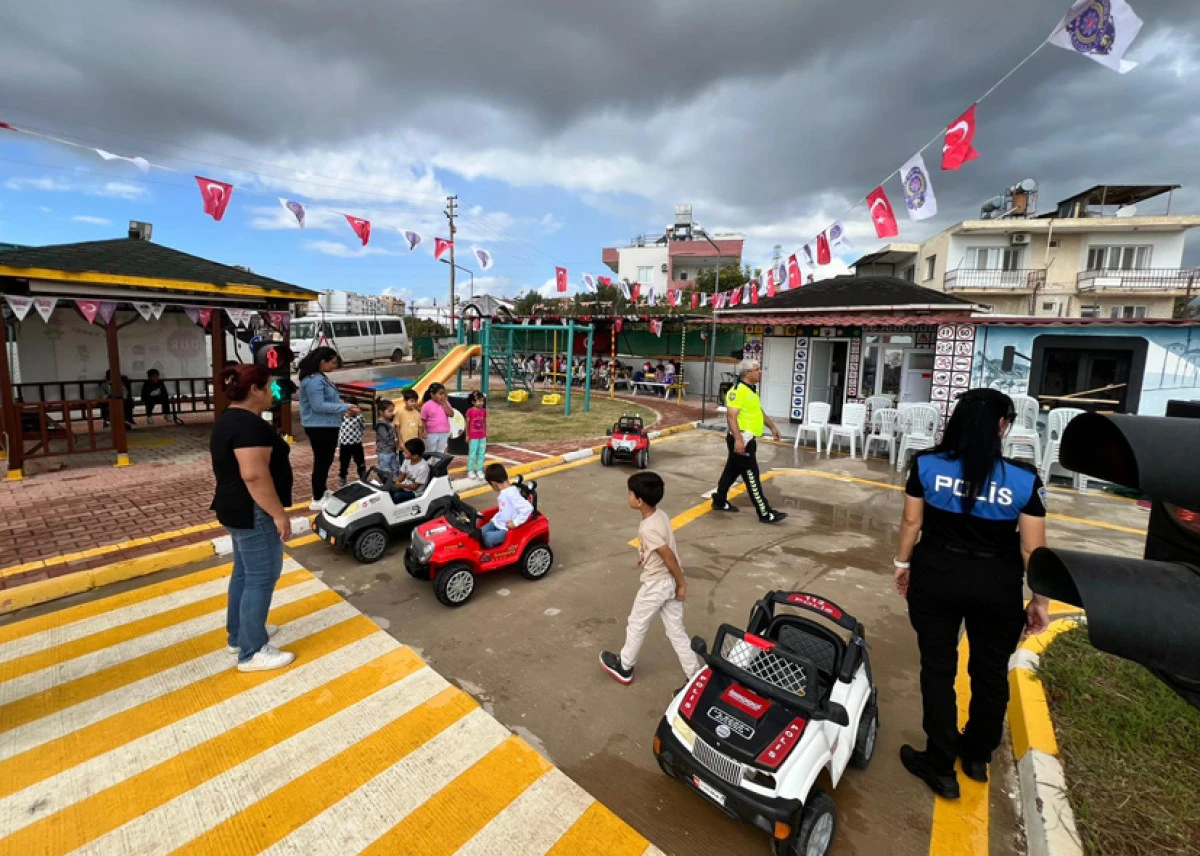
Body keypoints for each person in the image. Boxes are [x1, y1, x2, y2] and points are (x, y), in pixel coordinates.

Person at [893, 388, 1051, 799]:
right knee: (990, 671)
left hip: (936, 576)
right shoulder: (1023, 478)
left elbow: (911, 524)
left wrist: (902, 565)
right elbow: (1032, 548)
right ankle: (977, 756)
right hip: (996, 583)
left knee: (938, 668)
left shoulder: (926, 464)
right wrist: (1040, 600)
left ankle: (939, 762)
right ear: (1002, 426)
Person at [209, 364, 295, 672]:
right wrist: (279, 514)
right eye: (270, 386)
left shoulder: (230, 419)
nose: (274, 391)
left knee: (245, 573)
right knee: (262, 576)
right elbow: (254, 475)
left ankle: (240, 636)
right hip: (254, 511)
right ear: (255, 390)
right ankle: (253, 650)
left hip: (235, 509)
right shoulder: (248, 426)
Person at [600, 472, 701, 685]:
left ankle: (625, 666)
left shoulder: (647, 528)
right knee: (676, 630)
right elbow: (659, 549)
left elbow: (668, 555)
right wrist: (645, 557)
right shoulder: (660, 515)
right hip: (669, 581)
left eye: (629, 494)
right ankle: (694, 674)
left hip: (658, 583)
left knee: (636, 623)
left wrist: (682, 584)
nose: (627, 497)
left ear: (639, 501)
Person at [712, 358, 787, 524]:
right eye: (757, 369)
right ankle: (765, 512)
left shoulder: (751, 390)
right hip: (742, 440)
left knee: (731, 471)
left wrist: (772, 427)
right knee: (751, 475)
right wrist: (738, 439)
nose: (760, 372)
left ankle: (719, 500)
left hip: (747, 438)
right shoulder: (737, 391)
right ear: (747, 373)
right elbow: (731, 416)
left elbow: (758, 411)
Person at [298, 347, 359, 510]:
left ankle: (322, 489)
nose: (334, 366)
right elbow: (318, 406)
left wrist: (343, 407)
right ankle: (317, 498)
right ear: (322, 362)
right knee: (322, 461)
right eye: (332, 363)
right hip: (319, 426)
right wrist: (344, 407)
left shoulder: (320, 377)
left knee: (326, 460)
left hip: (327, 425)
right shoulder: (313, 381)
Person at [480, 462, 533, 548]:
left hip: (507, 529)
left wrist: (515, 523)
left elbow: (528, 508)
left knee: (488, 538)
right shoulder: (505, 492)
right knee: (481, 532)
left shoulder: (512, 494)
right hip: (499, 523)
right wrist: (494, 519)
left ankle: (493, 553)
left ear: (494, 484)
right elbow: (504, 509)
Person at [337, 405, 366, 488]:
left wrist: (358, 435)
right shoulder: (342, 416)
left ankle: (363, 477)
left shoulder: (359, 417)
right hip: (345, 444)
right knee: (344, 462)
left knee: (360, 462)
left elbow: (362, 427)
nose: (353, 410)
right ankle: (342, 478)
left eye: (355, 408)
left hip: (356, 443)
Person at [420, 382, 454, 454]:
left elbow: (451, 414)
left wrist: (444, 404)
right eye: (440, 394)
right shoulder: (426, 405)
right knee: (430, 451)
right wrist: (423, 431)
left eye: (443, 394)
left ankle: (438, 465)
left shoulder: (446, 403)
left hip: (444, 432)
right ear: (432, 394)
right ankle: (430, 465)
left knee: (440, 452)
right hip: (431, 433)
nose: (442, 396)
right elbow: (423, 420)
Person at [374, 399, 400, 480]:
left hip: (391, 451)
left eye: (392, 411)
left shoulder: (387, 422)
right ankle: (386, 484)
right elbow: (386, 438)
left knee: (395, 469)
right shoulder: (380, 424)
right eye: (389, 411)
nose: (392, 413)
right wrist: (392, 428)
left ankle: (395, 483)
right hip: (384, 452)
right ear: (381, 412)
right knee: (385, 471)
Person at [466, 391, 488, 481]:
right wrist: (467, 435)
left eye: (482, 401)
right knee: (472, 453)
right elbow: (467, 424)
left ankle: (479, 469)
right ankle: (470, 470)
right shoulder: (470, 412)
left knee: (481, 453)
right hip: (473, 436)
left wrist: (486, 433)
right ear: (473, 402)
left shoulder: (484, 411)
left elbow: (485, 422)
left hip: (482, 436)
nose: (481, 403)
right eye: (479, 401)